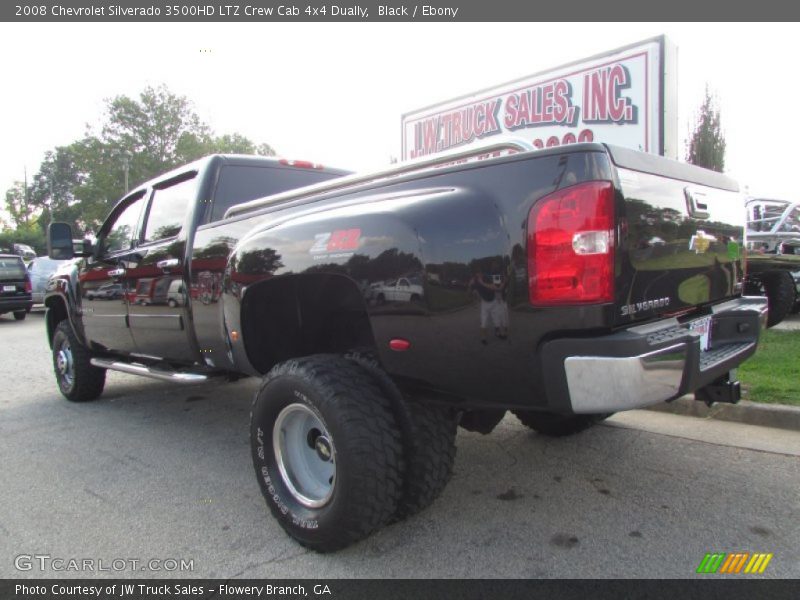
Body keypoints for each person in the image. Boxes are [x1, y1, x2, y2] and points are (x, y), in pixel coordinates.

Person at [470, 264, 509, 344]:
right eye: (476, 273)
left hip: (494, 301)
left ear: (482, 272)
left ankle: (498, 333)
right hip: (485, 303)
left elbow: (497, 288)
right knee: (484, 321)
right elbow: (470, 293)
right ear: (475, 274)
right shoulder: (474, 281)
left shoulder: (489, 277)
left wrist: (482, 283)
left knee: (497, 320)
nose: (479, 275)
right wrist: (469, 285)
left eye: (479, 272)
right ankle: (483, 338)